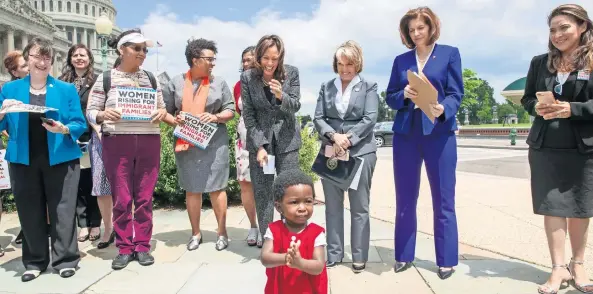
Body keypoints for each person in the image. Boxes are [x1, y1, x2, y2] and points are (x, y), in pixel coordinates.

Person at [385, 6, 463, 280]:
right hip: (406, 135)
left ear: (431, 27)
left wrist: (445, 108)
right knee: (405, 198)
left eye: (421, 28)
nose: (416, 33)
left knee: (443, 199)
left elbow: (456, 93)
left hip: (439, 134)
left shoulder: (449, 54)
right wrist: (403, 95)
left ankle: (446, 260)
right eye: (411, 29)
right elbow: (390, 97)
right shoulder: (401, 60)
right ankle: (403, 255)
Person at [0, 37, 86, 281]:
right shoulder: (10, 89)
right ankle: (35, 261)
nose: (43, 62)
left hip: (60, 157)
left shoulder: (65, 89)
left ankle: (66, 259)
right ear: (27, 59)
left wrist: (64, 129)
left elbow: (79, 123)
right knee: (29, 210)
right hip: (23, 159)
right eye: (38, 56)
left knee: (63, 209)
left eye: (48, 57)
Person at [520, 4, 593, 294]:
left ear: (583, 27)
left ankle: (579, 265)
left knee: (580, 208)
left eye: (564, 27)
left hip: (583, 149)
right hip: (545, 146)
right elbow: (526, 99)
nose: (557, 34)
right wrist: (536, 106)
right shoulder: (540, 62)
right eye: (553, 30)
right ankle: (558, 269)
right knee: (553, 208)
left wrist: (570, 109)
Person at [87, 29, 174, 270]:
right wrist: (103, 114)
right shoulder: (106, 78)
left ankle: (143, 245)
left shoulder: (151, 78)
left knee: (144, 197)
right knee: (122, 198)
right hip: (117, 141)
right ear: (122, 50)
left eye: (145, 50)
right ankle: (125, 247)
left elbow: (162, 109)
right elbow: (91, 110)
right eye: (136, 48)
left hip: (148, 141)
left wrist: (161, 114)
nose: (142, 53)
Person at [163, 38, 235, 251]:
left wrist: (215, 117)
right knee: (192, 189)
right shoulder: (175, 83)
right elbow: (165, 111)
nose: (213, 63)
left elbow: (231, 109)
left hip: (215, 143)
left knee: (217, 188)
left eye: (214, 59)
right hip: (187, 143)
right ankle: (196, 233)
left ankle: (222, 233)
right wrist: (175, 120)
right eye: (209, 59)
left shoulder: (219, 83)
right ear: (195, 60)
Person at [313, 40, 378, 273]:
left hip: (360, 152)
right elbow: (318, 117)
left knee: (359, 206)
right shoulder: (326, 86)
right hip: (331, 150)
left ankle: (359, 256)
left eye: (349, 64)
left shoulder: (369, 86)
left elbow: (370, 118)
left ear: (357, 63)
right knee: (332, 206)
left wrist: (347, 139)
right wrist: (333, 136)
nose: (344, 69)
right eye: (340, 64)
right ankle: (334, 253)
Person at [241, 34, 302, 246]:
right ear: (258, 56)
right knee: (264, 192)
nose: (270, 63)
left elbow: (295, 105)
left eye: (274, 58)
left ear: (281, 57)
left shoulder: (291, 73)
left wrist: (280, 96)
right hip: (262, 145)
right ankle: (269, 239)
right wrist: (259, 146)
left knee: (289, 191)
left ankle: (289, 239)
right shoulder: (248, 78)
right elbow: (248, 115)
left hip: (287, 143)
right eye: (266, 58)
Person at [58, 44, 107, 244]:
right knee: (74, 183)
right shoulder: (62, 82)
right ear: (70, 59)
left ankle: (95, 222)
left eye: (83, 55)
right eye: (75, 55)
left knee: (91, 181)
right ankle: (82, 224)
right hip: (67, 136)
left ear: (89, 58)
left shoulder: (97, 80)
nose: (79, 58)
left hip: (90, 136)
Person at [261, 169, 327, 294]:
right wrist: (287, 257)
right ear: (279, 207)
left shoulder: (317, 233)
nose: (302, 208)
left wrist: (300, 263)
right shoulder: (274, 230)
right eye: (294, 202)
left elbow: (319, 266)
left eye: (308, 201)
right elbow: (265, 258)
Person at [1, 50, 29, 251]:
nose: (30, 68)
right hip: (19, 151)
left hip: (43, 150)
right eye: (24, 66)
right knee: (24, 195)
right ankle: (27, 230)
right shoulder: (7, 91)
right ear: (13, 71)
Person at [233, 45, 260, 247]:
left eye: (251, 59)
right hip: (244, 142)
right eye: (244, 60)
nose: (247, 63)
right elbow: (238, 112)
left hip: (266, 142)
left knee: (267, 183)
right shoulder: (237, 86)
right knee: (246, 184)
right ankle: (253, 225)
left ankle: (269, 226)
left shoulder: (267, 82)